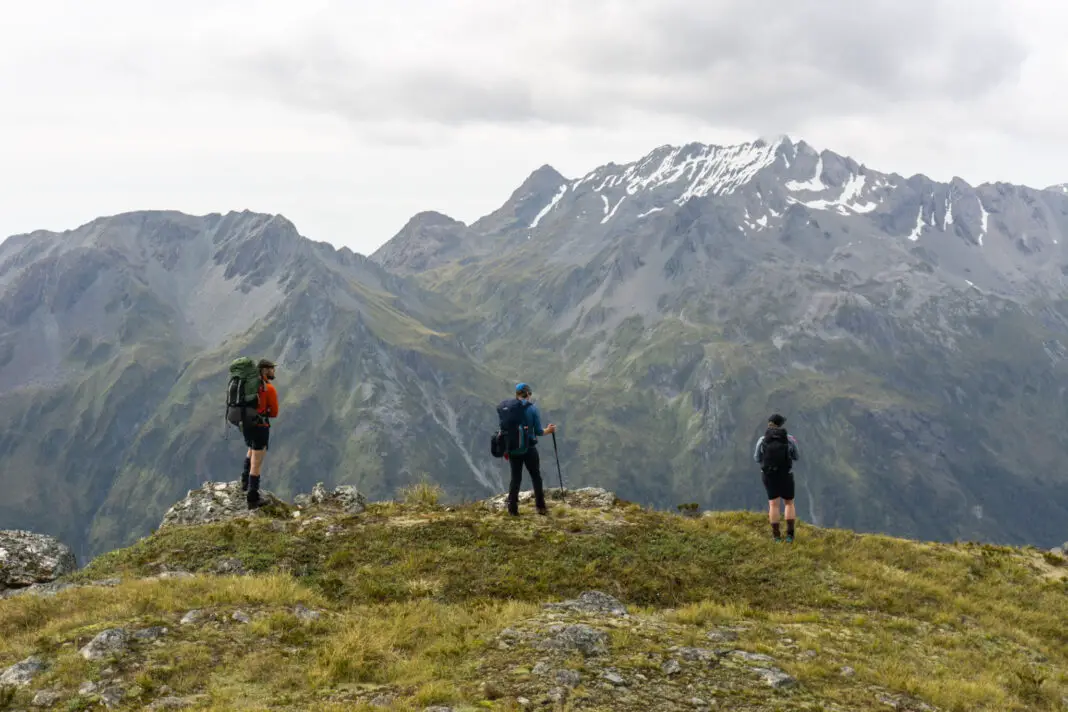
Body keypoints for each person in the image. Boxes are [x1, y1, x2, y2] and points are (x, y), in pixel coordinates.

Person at [506, 382, 556, 516]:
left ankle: (512, 509)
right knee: (536, 476)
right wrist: (549, 430)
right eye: (530, 394)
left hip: (513, 449)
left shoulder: (508, 408)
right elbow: (539, 431)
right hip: (529, 448)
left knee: (515, 478)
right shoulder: (532, 409)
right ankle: (540, 507)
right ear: (527, 394)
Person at [753, 413, 800, 542]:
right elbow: (796, 456)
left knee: (773, 505)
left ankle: (776, 537)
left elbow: (757, 458)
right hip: (786, 474)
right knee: (789, 503)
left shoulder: (762, 440)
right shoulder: (789, 439)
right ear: (781, 425)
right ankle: (790, 536)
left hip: (769, 475)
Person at [241, 359, 279, 509]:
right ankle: (252, 498)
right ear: (265, 370)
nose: (273, 371)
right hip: (260, 426)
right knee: (257, 462)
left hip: (246, 425)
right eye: (271, 369)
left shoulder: (249, 386)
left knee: (250, 448)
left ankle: (244, 482)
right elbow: (274, 412)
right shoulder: (268, 389)